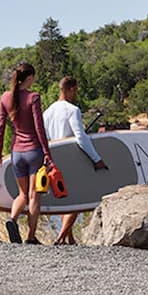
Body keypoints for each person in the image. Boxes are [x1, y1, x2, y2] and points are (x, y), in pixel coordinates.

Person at [0, 62, 53, 244]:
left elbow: (0, 128)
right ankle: (31, 237)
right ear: (29, 78)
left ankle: (12, 220)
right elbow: (39, 128)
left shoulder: (5, 98)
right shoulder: (33, 97)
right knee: (34, 196)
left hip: (16, 153)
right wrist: (47, 154)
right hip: (34, 151)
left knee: (22, 195)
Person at [43, 76, 108, 245]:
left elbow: (44, 137)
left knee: (64, 197)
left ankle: (69, 238)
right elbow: (80, 137)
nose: (76, 94)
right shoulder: (72, 110)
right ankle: (60, 238)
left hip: (54, 159)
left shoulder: (47, 112)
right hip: (72, 159)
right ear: (71, 89)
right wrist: (97, 159)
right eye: (76, 90)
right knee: (79, 197)